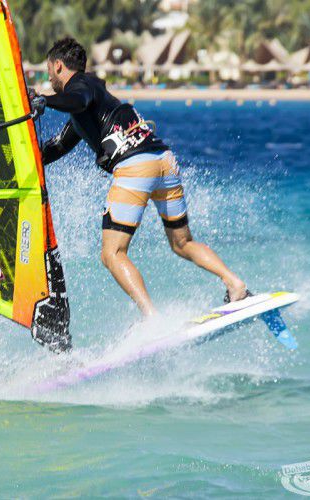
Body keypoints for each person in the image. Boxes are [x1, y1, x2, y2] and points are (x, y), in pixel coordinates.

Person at [30, 37, 248, 318]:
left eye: (49, 71)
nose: (49, 78)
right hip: (164, 161)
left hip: (136, 167)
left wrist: (45, 100)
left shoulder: (82, 86)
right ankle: (235, 284)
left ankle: (152, 318)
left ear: (58, 65)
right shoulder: (91, 107)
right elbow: (57, 147)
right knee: (182, 243)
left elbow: (76, 98)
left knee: (112, 254)